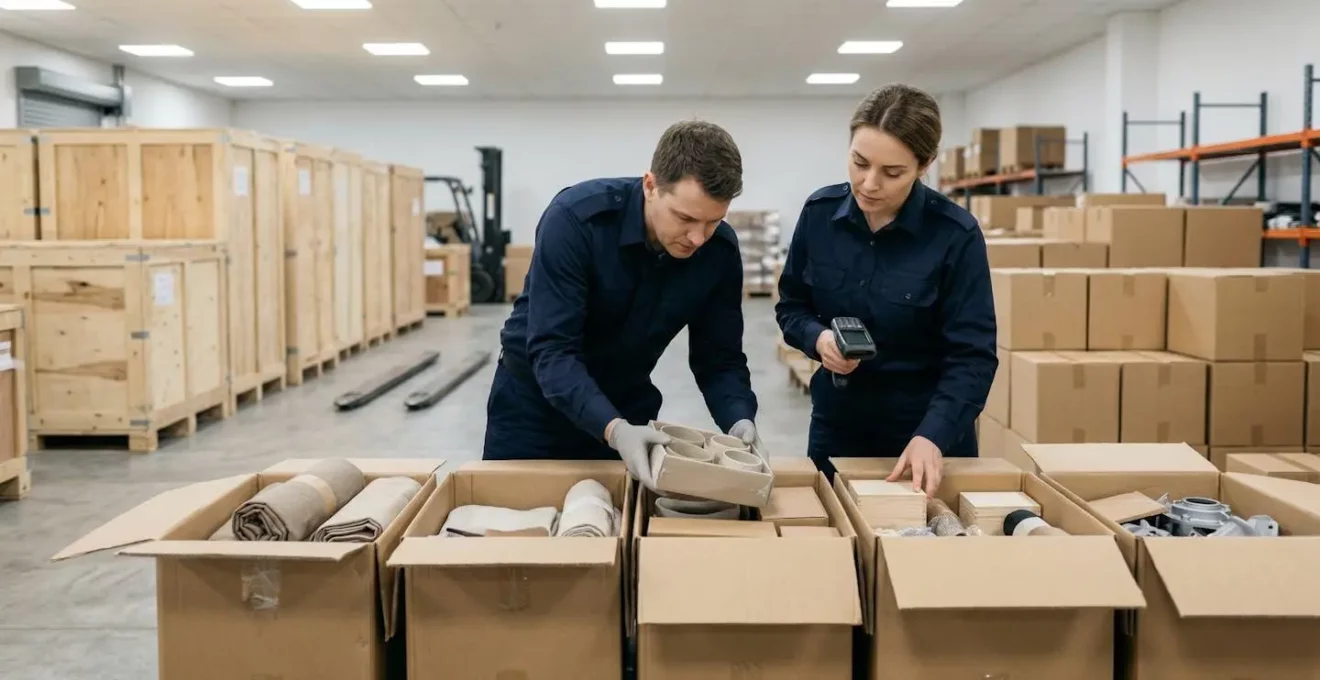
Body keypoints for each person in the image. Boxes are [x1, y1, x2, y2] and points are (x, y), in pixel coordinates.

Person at [484, 120, 763, 488]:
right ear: (650, 186)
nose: (698, 238)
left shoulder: (719, 252)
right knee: (513, 528)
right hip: (534, 410)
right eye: (685, 218)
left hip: (626, 407)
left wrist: (739, 418)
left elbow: (720, 359)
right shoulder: (575, 221)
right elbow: (553, 351)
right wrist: (613, 430)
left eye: (713, 222)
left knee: (614, 532)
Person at [775, 84, 997, 496]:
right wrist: (819, 338)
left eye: (892, 173)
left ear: (924, 165)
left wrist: (934, 434)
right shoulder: (819, 216)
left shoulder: (955, 236)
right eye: (859, 163)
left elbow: (973, 356)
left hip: (925, 435)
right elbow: (792, 308)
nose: (869, 183)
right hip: (837, 428)